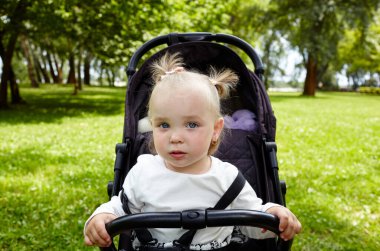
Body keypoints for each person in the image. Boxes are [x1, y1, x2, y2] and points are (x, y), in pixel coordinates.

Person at [84, 52, 301, 250]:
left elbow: (252, 223)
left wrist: (272, 214)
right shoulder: (143, 172)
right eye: (164, 125)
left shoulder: (227, 177)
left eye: (191, 125)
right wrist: (102, 216)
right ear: (151, 125)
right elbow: (119, 208)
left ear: (216, 129)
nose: (175, 137)